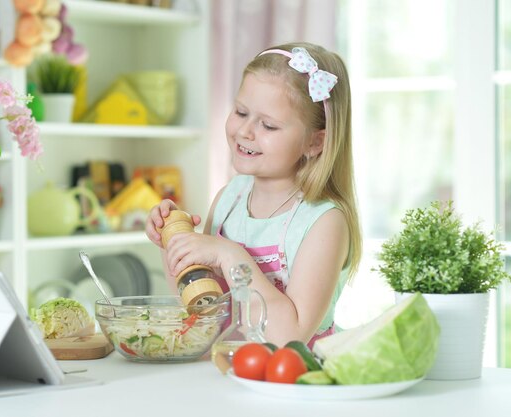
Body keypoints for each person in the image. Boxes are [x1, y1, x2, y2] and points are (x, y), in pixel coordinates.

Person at [146, 42, 362, 348]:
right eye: (240, 112)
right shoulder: (229, 199)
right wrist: (174, 243)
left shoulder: (324, 221)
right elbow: (204, 311)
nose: (244, 131)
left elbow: (289, 338)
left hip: (297, 381)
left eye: (269, 126)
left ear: (315, 142)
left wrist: (228, 254)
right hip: (229, 370)